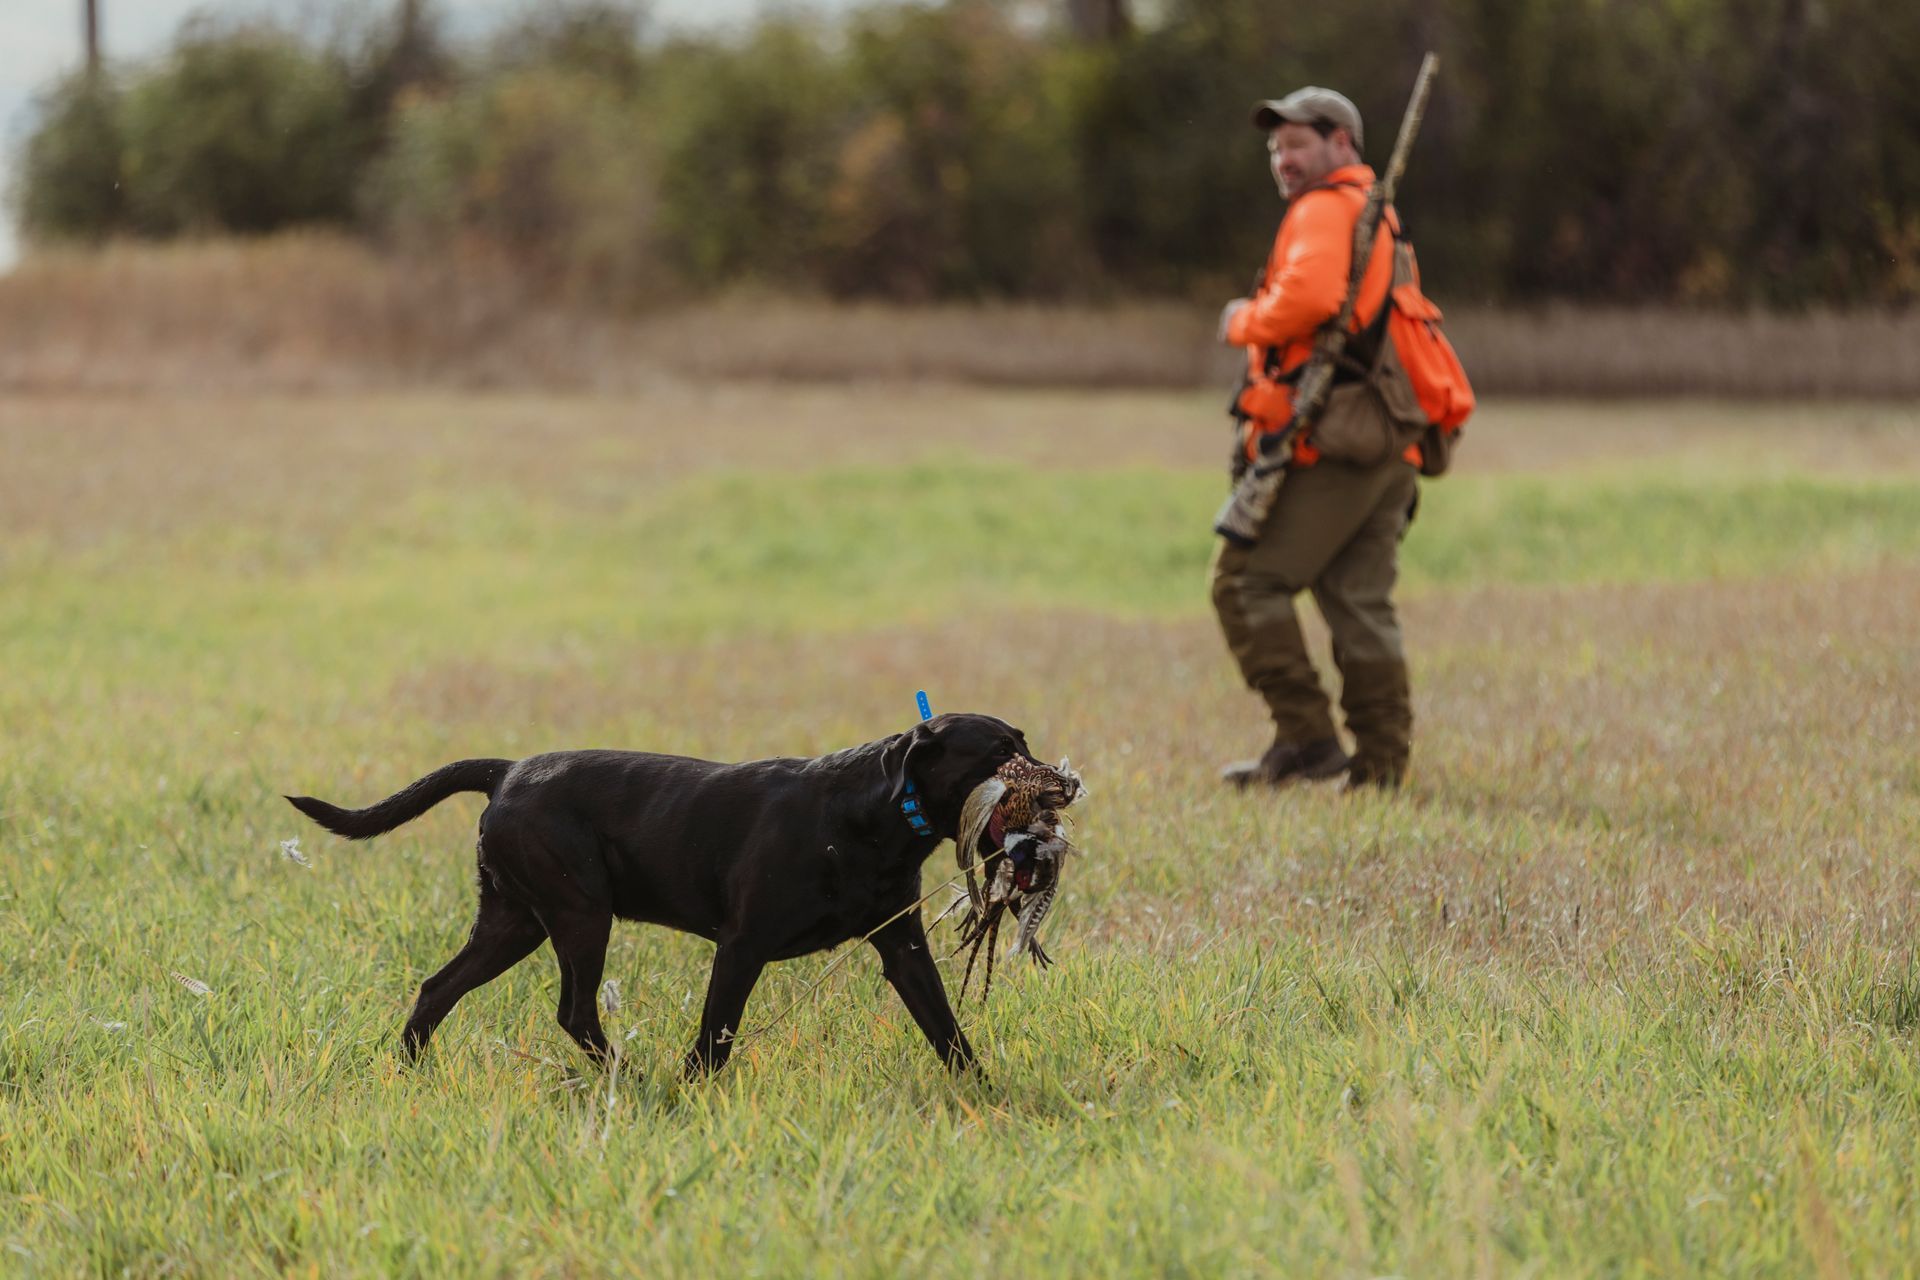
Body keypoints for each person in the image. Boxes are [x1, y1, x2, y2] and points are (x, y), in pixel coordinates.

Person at [1211, 86, 1420, 792]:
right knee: (1357, 601)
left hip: (1335, 441)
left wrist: (1243, 318)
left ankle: (1306, 740)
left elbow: (1307, 298)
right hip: (1385, 438)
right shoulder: (1370, 209)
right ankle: (1383, 766)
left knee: (1244, 584)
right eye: (1276, 147)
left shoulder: (1326, 209)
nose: (1283, 157)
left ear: (1342, 143)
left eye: (1298, 143)